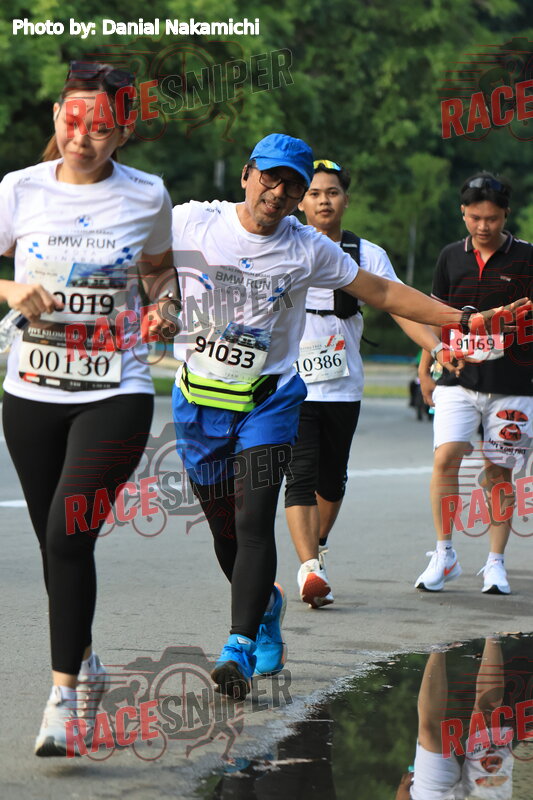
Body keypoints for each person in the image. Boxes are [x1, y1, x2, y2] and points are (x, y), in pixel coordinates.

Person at [171, 135, 528, 701]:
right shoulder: (193, 221)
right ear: (246, 175)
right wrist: (158, 302)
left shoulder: (308, 247)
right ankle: (266, 606)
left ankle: (237, 645)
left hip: (270, 399)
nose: (279, 192)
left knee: (253, 517)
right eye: (270, 178)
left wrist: (462, 320)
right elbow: (142, 259)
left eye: (293, 185)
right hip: (199, 400)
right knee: (225, 533)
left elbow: (384, 291)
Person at [0, 61, 177, 756]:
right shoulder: (19, 189)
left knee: (69, 534)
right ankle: (86, 661)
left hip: (116, 388)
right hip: (32, 389)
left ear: (123, 132)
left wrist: (165, 306)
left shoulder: (146, 193)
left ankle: (63, 699)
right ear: (56, 115)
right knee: (55, 543)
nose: (82, 137)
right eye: (73, 121)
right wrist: (10, 290)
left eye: (100, 128)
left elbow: (159, 271)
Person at [284, 159, 452, 608]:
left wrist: (436, 347)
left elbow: (400, 306)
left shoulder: (366, 254)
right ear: (299, 202)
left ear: (346, 199)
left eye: (332, 192)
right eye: (314, 193)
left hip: (343, 385)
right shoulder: (284, 243)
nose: (323, 201)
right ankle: (310, 569)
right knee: (300, 474)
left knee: (332, 479)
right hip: (292, 383)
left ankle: (317, 545)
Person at [415, 172, 533, 595]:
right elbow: (434, 316)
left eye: (492, 219)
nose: (483, 226)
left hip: (513, 384)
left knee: (498, 471)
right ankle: (444, 554)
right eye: (475, 217)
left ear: (506, 215)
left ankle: (495, 563)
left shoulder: (526, 258)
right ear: (462, 212)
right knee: (446, 458)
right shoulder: (451, 256)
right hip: (457, 380)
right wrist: (425, 367)